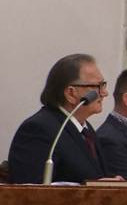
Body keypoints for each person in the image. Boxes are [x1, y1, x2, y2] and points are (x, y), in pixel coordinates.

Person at [7, 54, 111, 184]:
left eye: (103, 85)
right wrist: (90, 188)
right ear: (71, 94)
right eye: (97, 86)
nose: (104, 93)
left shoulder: (85, 129)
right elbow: (30, 188)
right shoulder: (38, 129)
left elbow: (94, 177)